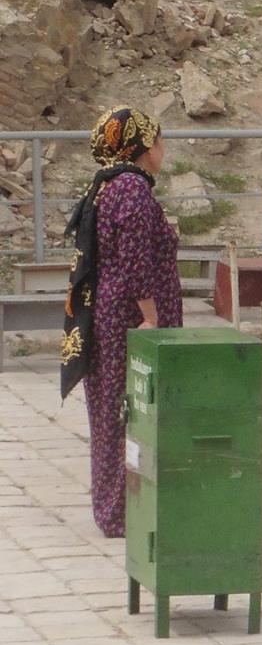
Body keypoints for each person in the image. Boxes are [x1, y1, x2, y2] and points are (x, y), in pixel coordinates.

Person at [60, 107, 184, 538]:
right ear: (143, 145)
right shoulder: (131, 188)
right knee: (130, 411)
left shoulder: (110, 185)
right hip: (130, 320)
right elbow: (135, 261)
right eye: (159, 141)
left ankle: (118, 507)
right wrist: (151, 317)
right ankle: (121, 511)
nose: (162, 150)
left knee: (116, 410)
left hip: (112, 316)